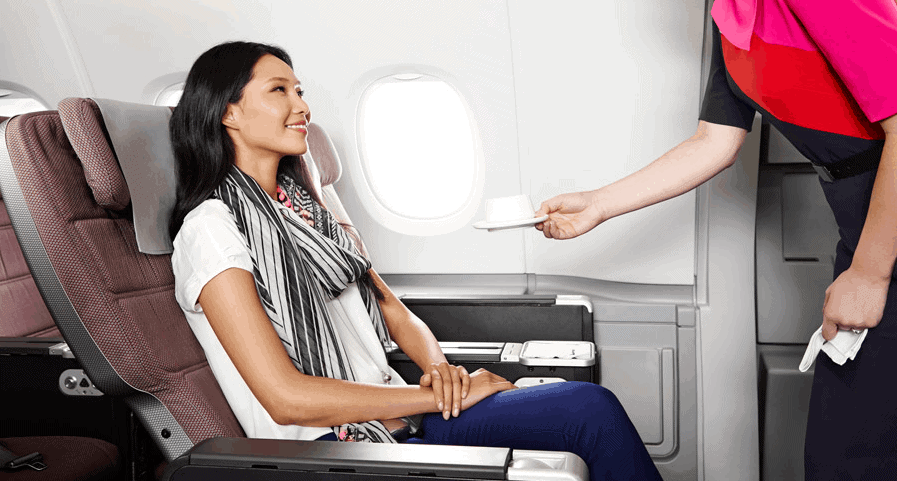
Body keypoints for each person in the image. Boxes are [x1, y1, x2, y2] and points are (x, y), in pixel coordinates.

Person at [535, 0, 897, 479]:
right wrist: (597, 204)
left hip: (882, 236)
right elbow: (714, 141)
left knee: (851, 458)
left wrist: (868, 271)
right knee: (844, 455)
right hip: (864, 227)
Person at [168, 41, 662, 481]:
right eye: (280, 91)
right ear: (227, 112)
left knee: (587, 409)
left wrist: (442, 373)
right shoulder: (211, 228)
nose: (303, 106)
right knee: (587, 414)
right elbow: (285, 397)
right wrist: (438, 397)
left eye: (301, 91)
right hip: (328, 451)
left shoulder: (300, 207)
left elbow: (393, 310)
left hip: (393, 414)